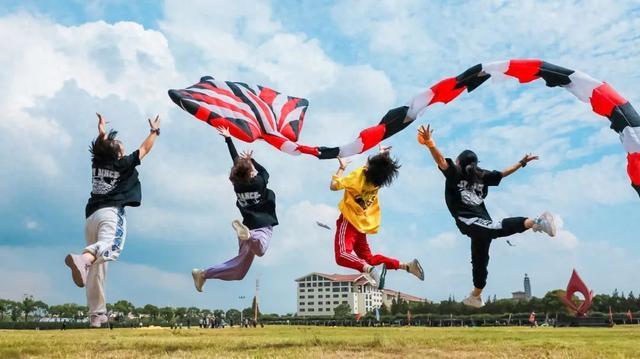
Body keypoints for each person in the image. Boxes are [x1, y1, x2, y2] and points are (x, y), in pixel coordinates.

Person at [416, 124, 556, 308]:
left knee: (489, 240)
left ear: (458, 162)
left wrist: (430, 143)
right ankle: (476, 295)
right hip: (479, 223)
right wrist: (521, 163)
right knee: (480, 259)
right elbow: (503, 174)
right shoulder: (481, 174)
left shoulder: (458, 172)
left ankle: (536, 222)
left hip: (470, 222)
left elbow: (441, 160)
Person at [64, 113, 160, 328]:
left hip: (91, 216)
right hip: (110, 212)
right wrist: (154, 131)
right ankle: (83, 259)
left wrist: (101, 132)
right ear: (117, 153)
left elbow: (101, 147)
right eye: (120, 145)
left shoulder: (97, 161)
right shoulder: (122, 163)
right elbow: (145, 149)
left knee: (97, 269)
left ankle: (97, 315)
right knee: (110, 247)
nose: (123, 147)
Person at [191, 126, 277, 291]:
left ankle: (203, 274)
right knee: (261, 250)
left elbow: (235, 160)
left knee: (238, 271)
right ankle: (251, 236)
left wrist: (228, 139)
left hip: (245, 226)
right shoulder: (259, 182)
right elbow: (265, 171)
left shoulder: (237, 184)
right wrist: (252, 160)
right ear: (250, 170)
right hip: (261, 226)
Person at [330, 145, 424, 289]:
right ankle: (407, 266)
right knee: (369, 259)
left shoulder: (357, 177)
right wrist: (383, 155)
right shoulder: (378, 181)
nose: (365, 163)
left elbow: (333, 185)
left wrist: (342, 168)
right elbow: (379, 169)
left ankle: (372, 271)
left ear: (368, 169)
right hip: (362, 225)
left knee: (342, 255)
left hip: (348, 221)